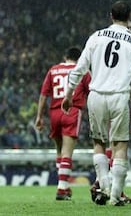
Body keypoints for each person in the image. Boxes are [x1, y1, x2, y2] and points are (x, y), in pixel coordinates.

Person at [61, 0, 131, 206]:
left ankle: (105, 185)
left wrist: (69, 93)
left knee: (99, 143)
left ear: (111, 15)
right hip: (119, 96)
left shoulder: (96, 37)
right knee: (120, 145)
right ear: (129, 17)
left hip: (96, 95)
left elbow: (80, 67)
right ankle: (115, 196)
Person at [35, 47, 90, 201]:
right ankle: (61, 188)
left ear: (65, 56)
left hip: (54, 112)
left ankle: (64, 187)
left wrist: (39, 116)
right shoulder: (82, 70)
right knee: (67, 152)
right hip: (71, 111)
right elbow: (91, 91)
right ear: (79, 59)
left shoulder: (53, 70)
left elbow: (43, 94)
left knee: (59, 151)